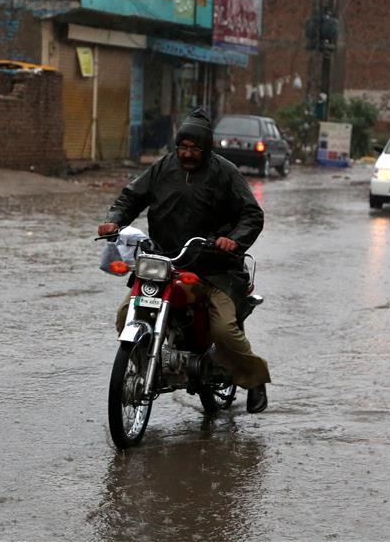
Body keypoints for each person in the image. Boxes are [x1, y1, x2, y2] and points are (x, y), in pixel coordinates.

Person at [97, 107, 271, 413]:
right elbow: (130, 197)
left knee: (223, 330)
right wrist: (115, 220)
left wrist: (233, 241)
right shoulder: (163, 167)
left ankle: (255, 380)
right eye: (183, 147)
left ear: (207, 148)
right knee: (127, 314)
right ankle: (145, 366)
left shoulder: (226, 173)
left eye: (195, 148)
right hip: (166, 262)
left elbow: (252, 214)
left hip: (214, 267)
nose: (188, 154)